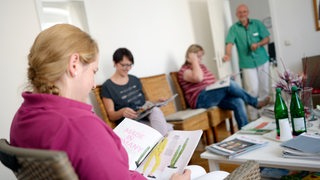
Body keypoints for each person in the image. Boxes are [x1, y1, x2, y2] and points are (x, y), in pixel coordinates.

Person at [9, 24, 197, 180]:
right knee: (204, 172)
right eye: (93, 71)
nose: (92, 85)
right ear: (74, 65)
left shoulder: (21, 118)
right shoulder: (80, 126)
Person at [179, 44, 270, 130]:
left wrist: (223, 80)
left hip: (211, 95)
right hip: (200, 100)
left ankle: (244, 131)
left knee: (238, 101)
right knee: (229, 84)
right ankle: (255, 102)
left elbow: (212, 83)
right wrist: (194, 61)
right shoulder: (184, 70)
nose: (200, 59)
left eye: (201, 57)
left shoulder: (201, 67)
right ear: (190, 56)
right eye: (198, 57)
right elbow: (198, 78)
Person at [100, 48, 173, 136]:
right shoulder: (107, 86)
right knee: (167, 128)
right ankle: (164, 142)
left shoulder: (134, 79)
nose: (127, 68)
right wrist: (122, 112)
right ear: (115, 63)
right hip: (129, 123)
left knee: (156, 110)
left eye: (130, 65)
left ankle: (162, 142)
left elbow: (144, 103)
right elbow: (111, 115)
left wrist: (156, 102)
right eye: (124, 65)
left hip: (144, 116)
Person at [223, 4, 270, 121]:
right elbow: (229, 43)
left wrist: (258, 44)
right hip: (247, 63)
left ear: (248, 12)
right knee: (252, 90)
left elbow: (267, 38)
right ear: (236, 15)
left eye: (244, 12)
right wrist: (227, 55)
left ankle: (266, 116)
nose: (242, 14)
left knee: (265, 88)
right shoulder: (234, 28)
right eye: (239, 12)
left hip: (262, 60)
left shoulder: (257, 24)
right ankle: (253, 118)